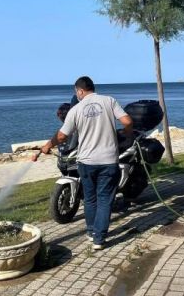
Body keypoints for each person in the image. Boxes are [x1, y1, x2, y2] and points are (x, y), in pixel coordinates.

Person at [34, 76, 133, 250]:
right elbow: (127, 121)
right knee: (105, 200)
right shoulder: (109, 101)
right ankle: (99, 239)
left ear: (80, 91)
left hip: (86, 162)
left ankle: (91, 232)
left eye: (76, 92)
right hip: (108, 160)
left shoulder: (76, 109)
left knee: (90, 198)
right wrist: (126, 133)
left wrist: (48, 145)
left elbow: (62, 136)